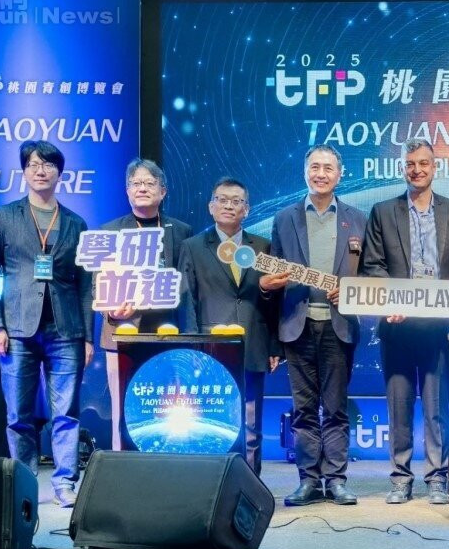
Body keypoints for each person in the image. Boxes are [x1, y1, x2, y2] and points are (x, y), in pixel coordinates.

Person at [0, 140, 93, 508]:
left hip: (66, 330)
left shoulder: (76, 223)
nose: (40, 170)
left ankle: (65, 483)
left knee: (66, 413)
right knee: (18, 415)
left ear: (60, 173)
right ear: (24, 172)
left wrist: (88, 336)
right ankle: (24, 483)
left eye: (47, 165)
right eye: (32, 164)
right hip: (16, 330)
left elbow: (85, 284)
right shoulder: (4, 216)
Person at [359, 139, 449, 505]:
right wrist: (391, 300)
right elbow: (372, 265)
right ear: (403, 168)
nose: (416, 169)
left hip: (438, 328)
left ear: (435, 167)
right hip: (397, 327)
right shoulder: (383, 211)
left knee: (437, 408)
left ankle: (437, 477)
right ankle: (400, 479)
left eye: (423, 163)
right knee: (399, 407)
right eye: (410, 164)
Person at [261, 145, 366, 506]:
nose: (321, 174)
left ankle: (335, 480)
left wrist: (351, 290)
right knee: (304, 409)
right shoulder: (284, 218)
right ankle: (308, 479)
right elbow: (274, 272)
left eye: (328, 168)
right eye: (315, 167)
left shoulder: (358, 218)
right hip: (297, 324)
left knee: (336, 408)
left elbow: (371, 272)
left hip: (339, 326)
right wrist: (268, 287)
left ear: (340, 174)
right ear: (305, 172)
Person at [178, 178, 280, 475]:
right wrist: (193, 344)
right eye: (222, 200)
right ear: (211, 207)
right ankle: (211, 482)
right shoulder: (192, 247)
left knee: (251, 422)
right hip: (210, 347)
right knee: (211, 420)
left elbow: (274, 300)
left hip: (253, 342)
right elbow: (187, 300)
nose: (229, 206)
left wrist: (274, 346)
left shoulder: (263, 246)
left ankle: (251, 484)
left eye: (236, 201)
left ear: (246, 209)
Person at [99, 158, 192, 449]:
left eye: (149, 183)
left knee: (166, 405)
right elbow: (98, 282)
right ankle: (121, 463)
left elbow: (187, 283)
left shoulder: (181, 231)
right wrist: (110, 306)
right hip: (121, 329)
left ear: (163, 192)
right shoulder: (110, 231)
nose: (142, 188)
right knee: (122, 406)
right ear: (127, 191)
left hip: (167, 330)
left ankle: (163, 463)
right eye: (136, 183)